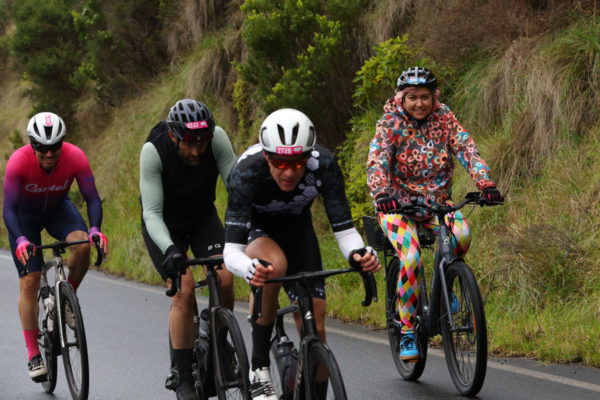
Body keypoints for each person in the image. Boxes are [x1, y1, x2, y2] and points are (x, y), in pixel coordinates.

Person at [223, 108, 381, 400]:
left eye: (298, 163)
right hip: (257, 231)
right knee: (274, 266)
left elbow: (344, 231)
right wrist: (249, 268)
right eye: (281, 162)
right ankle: (259, 369)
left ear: (308, 156)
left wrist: (358, 254)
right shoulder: (246, 170)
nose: (289, 172)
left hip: (298, 231)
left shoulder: (323, 164)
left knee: (316, 323)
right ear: (267, 157)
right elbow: (231, 250)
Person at [366, 66, 503, 360]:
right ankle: (406, 331)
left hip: (436, 203)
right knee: (411, 256)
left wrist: (486, 183)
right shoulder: (389, 123)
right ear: (402, 98)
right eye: (412, 97)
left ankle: (445, 294)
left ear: (434, 97)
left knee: (462, 236)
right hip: (397, 206)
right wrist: (381, 193)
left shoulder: (444, 119)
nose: (419, 103)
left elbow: (467, 149)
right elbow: (376, 161)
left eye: (425, 97)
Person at [139, 98, 237, 400]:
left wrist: (244, 229)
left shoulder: (216, 138)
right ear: (174, 136)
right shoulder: (154, 150)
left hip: (201, 215)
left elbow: (237, 186)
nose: (196, 151)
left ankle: (219, 340)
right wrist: (170, 248)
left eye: (201, 143)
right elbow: (152, 213)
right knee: (183, 290)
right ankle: (182, 376)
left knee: (226, 277)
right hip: (165, 224)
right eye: (189, 144)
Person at [3, 112, 109, 381]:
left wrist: (95, 228)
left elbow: (92, 198)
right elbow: (9, 209)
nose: (49, 154)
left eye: (55, 147)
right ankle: (33, 355)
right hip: (25, 219)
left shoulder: (75, 157)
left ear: (63, 143)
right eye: (42, 148)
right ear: (33, 145)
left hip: (58, 210)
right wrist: (20, 239)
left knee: (82, 245)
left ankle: (66, 300)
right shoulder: (18, 162)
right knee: (30, 281)